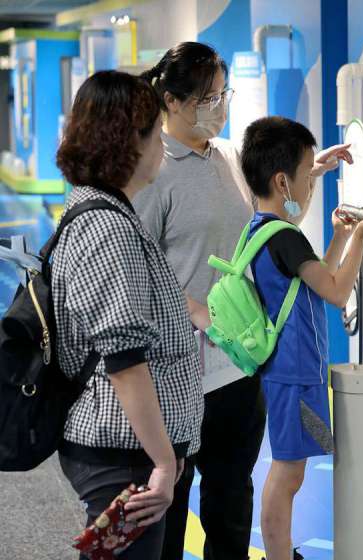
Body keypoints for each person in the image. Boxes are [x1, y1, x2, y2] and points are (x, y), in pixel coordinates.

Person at [136, 42, 351, 560]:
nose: (220, 107)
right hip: (179, 373)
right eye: (208, 98)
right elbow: (138, 267)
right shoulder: (154, 171)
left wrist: (307, 172)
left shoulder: (230, 157)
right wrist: (192, 308)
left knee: (231, 505)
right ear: (172, 101)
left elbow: (274, 225)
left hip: (241, 363)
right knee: (171, 509)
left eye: (222, 94)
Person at [53, 70, 204, 559]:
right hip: (124, 454)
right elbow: (124, 361)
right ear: (129, 141)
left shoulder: (107, 213)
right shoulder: (108, 229)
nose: (163, 147)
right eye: (157, 134)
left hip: (132, 449)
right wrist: (162, 461)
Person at [240, 116, 363, 560]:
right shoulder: (285, 236)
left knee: (294, 469)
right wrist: (360, 237)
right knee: (287, 474)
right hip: (294, 373)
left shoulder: (263, 228)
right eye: (307, 175)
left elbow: (317, 280)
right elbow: (337, 292)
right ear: (282, 181)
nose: (310, 185)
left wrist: (340, 236)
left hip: (294, 371)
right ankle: (278, 556)